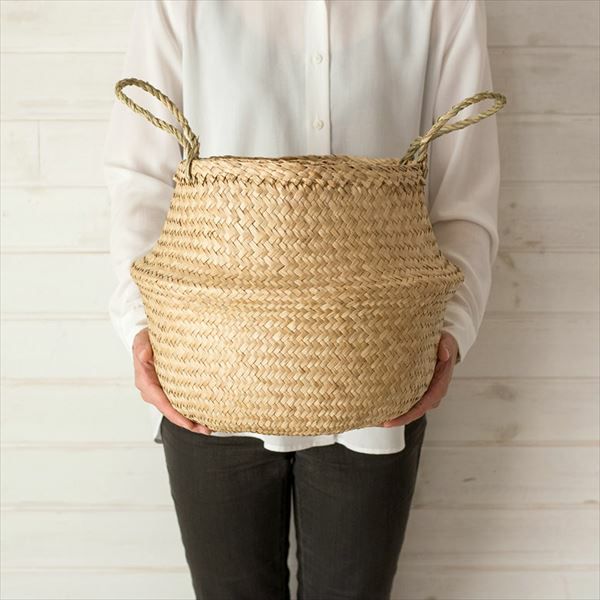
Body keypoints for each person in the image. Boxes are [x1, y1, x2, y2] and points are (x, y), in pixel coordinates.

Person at [103, 1, 500, 598]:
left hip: (377, 372)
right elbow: (139, 177)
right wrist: (140, 324)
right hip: (208, 369)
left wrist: (452, 330)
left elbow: (464, 190)